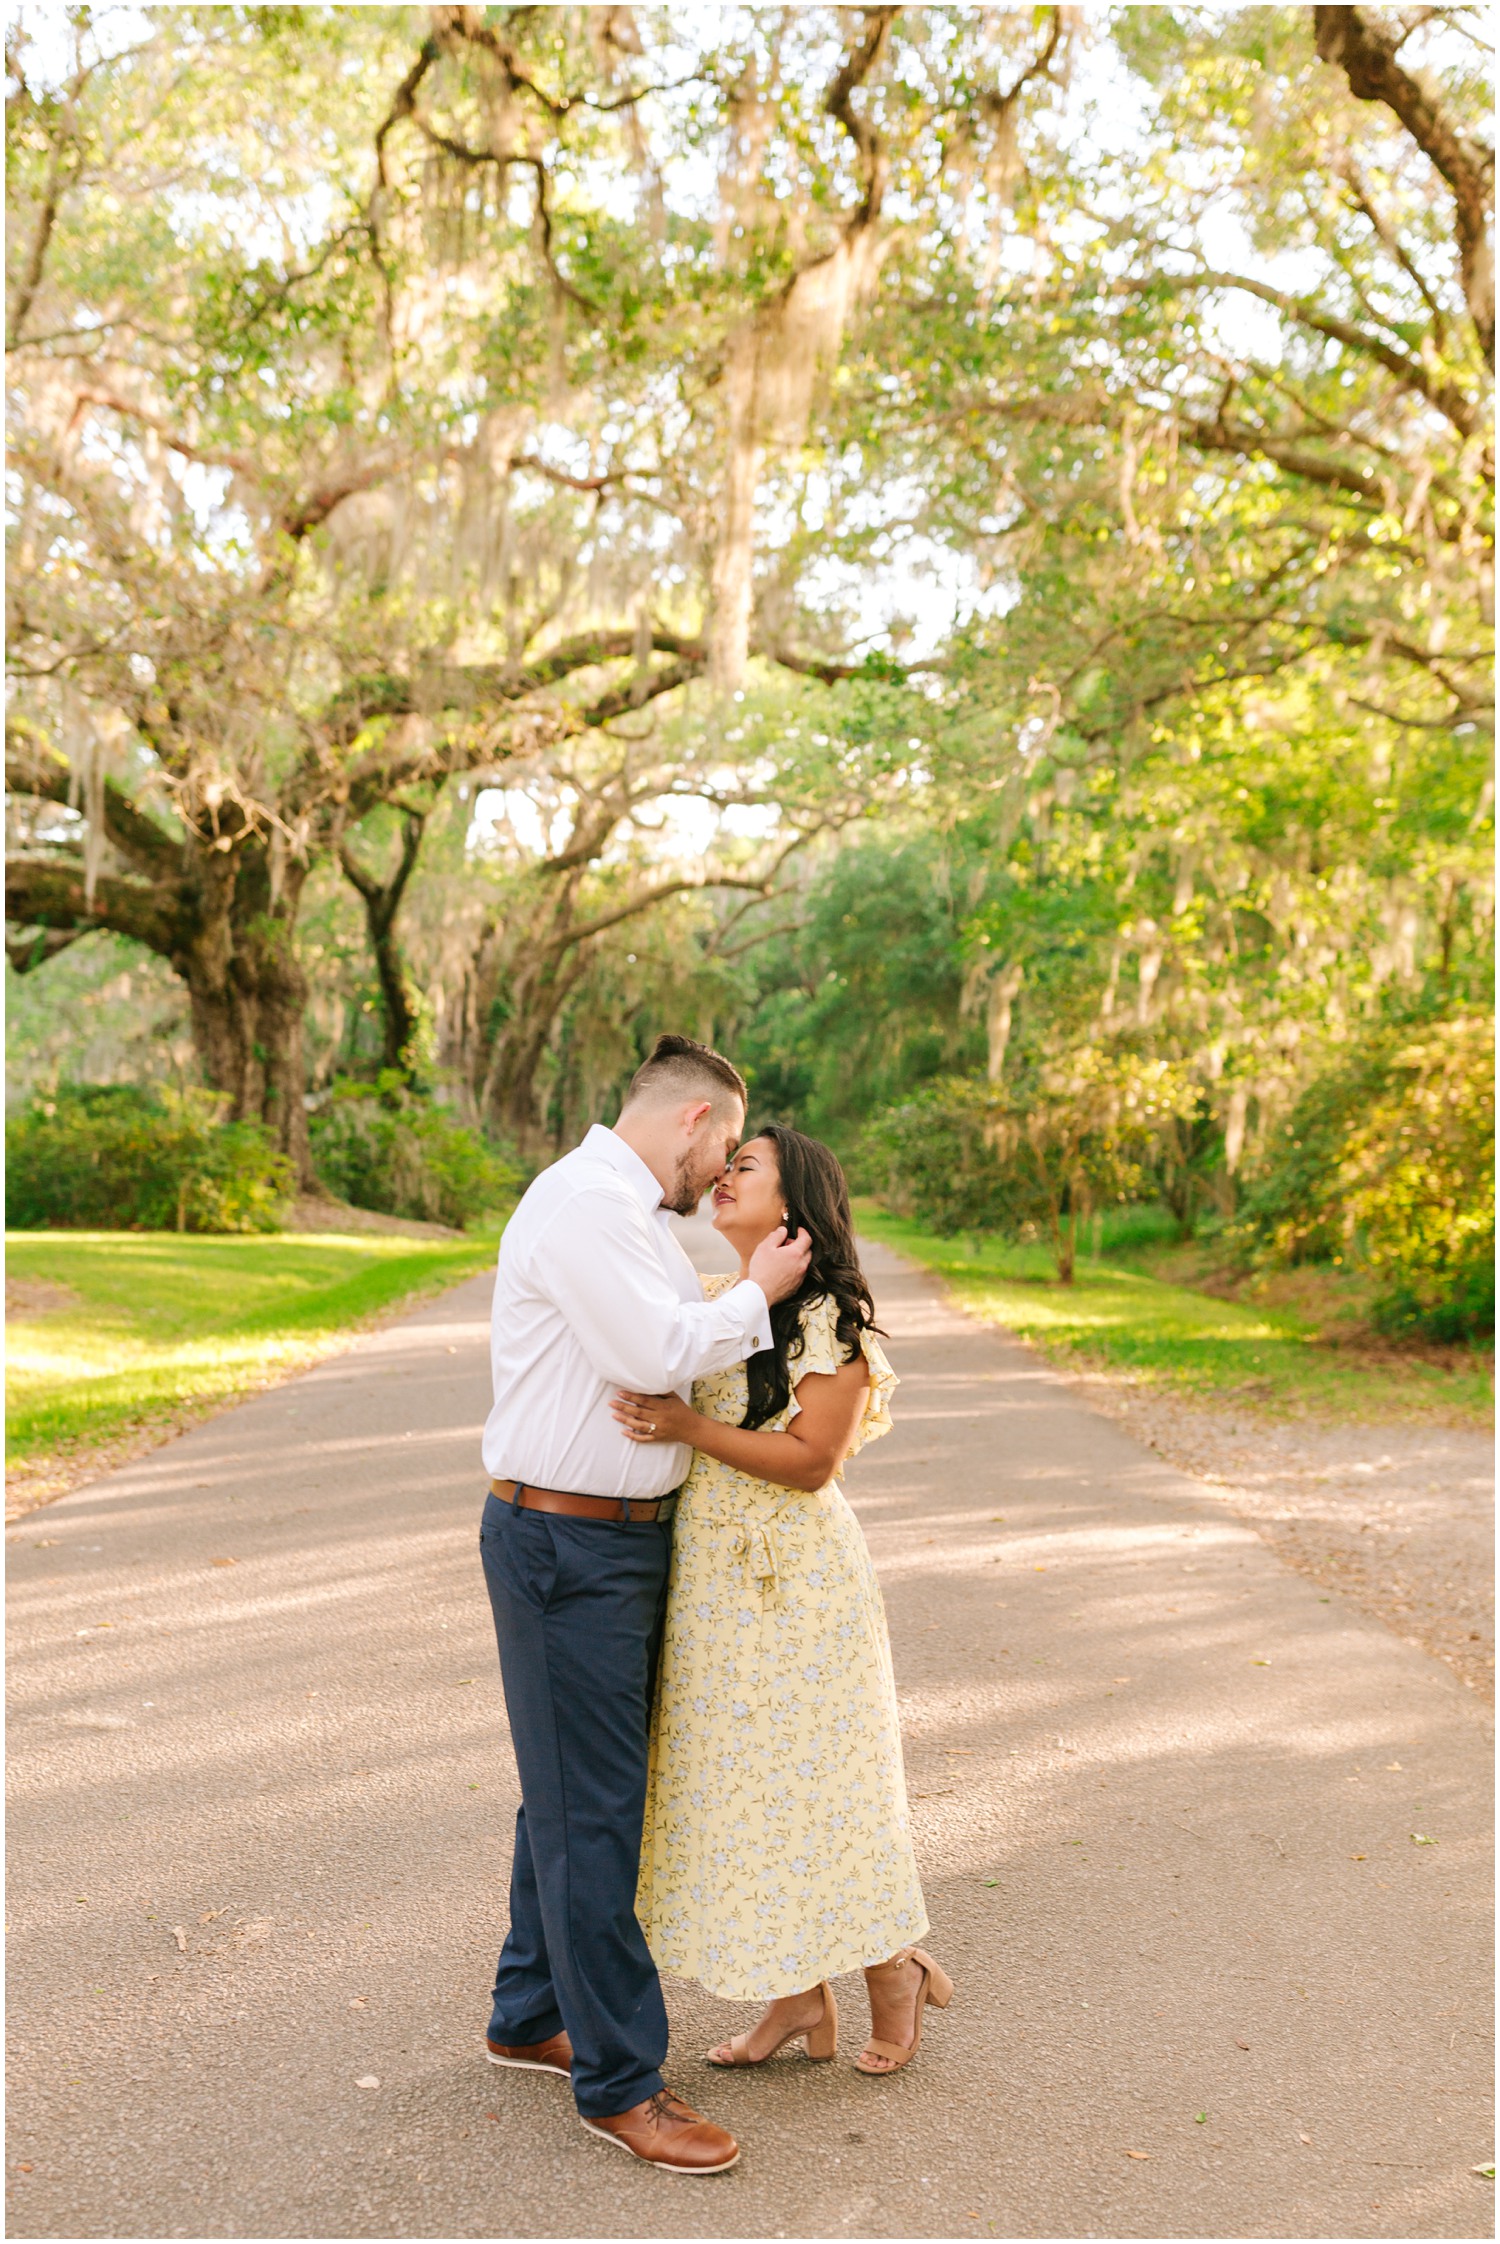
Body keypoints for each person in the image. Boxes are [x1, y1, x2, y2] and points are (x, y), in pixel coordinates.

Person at [478, 1036, 810, 2175]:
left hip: (611, 1545)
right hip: (565, 1543)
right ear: (695, 1118)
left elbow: (679, 1346)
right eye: (723, 1146)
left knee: (570, 1793)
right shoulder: (585, 1206)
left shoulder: (634, 1220)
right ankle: (623, 2084)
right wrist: (762, 1293)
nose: (718, 1173)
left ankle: (528, 2016)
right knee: (594, 1814)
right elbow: (651, 1355)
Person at [613, 1124, 953, 2079]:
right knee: (733, 1790)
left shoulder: (826, 1318)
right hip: (712, 1584)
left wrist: (684, 1425)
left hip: (797, 1586)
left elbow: (812, 1462)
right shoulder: (722, 1299)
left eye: (745, 1168)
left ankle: (893, 1968)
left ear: (795, 1208)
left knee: (818, 1784)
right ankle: (798, 1999)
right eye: (723, 1164)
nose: (722, 1177)